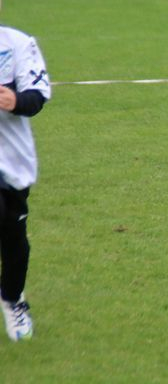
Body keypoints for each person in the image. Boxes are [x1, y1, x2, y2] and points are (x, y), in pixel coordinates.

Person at [0, 25, 51, 342]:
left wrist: (16, 100)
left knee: (14, 236)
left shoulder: (17, 43)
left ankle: (12, 298)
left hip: (12, 159)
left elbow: (37, 96)